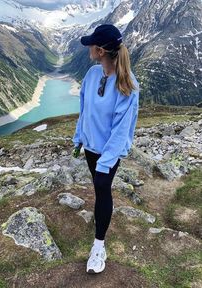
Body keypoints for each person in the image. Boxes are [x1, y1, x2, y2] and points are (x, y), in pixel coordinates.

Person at [72, 24, 140, 274]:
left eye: (92, 44)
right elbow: (85, 109)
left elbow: (121, 131)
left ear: (100, 50)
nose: (88, 47)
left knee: (102, 188)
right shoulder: (91, 74)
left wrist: (105, 162)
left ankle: (99, 245)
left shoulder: (128, 84)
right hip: (90, 146)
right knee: (98, 188)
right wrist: (79, 137)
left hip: (109, 153)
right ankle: (100, 221)